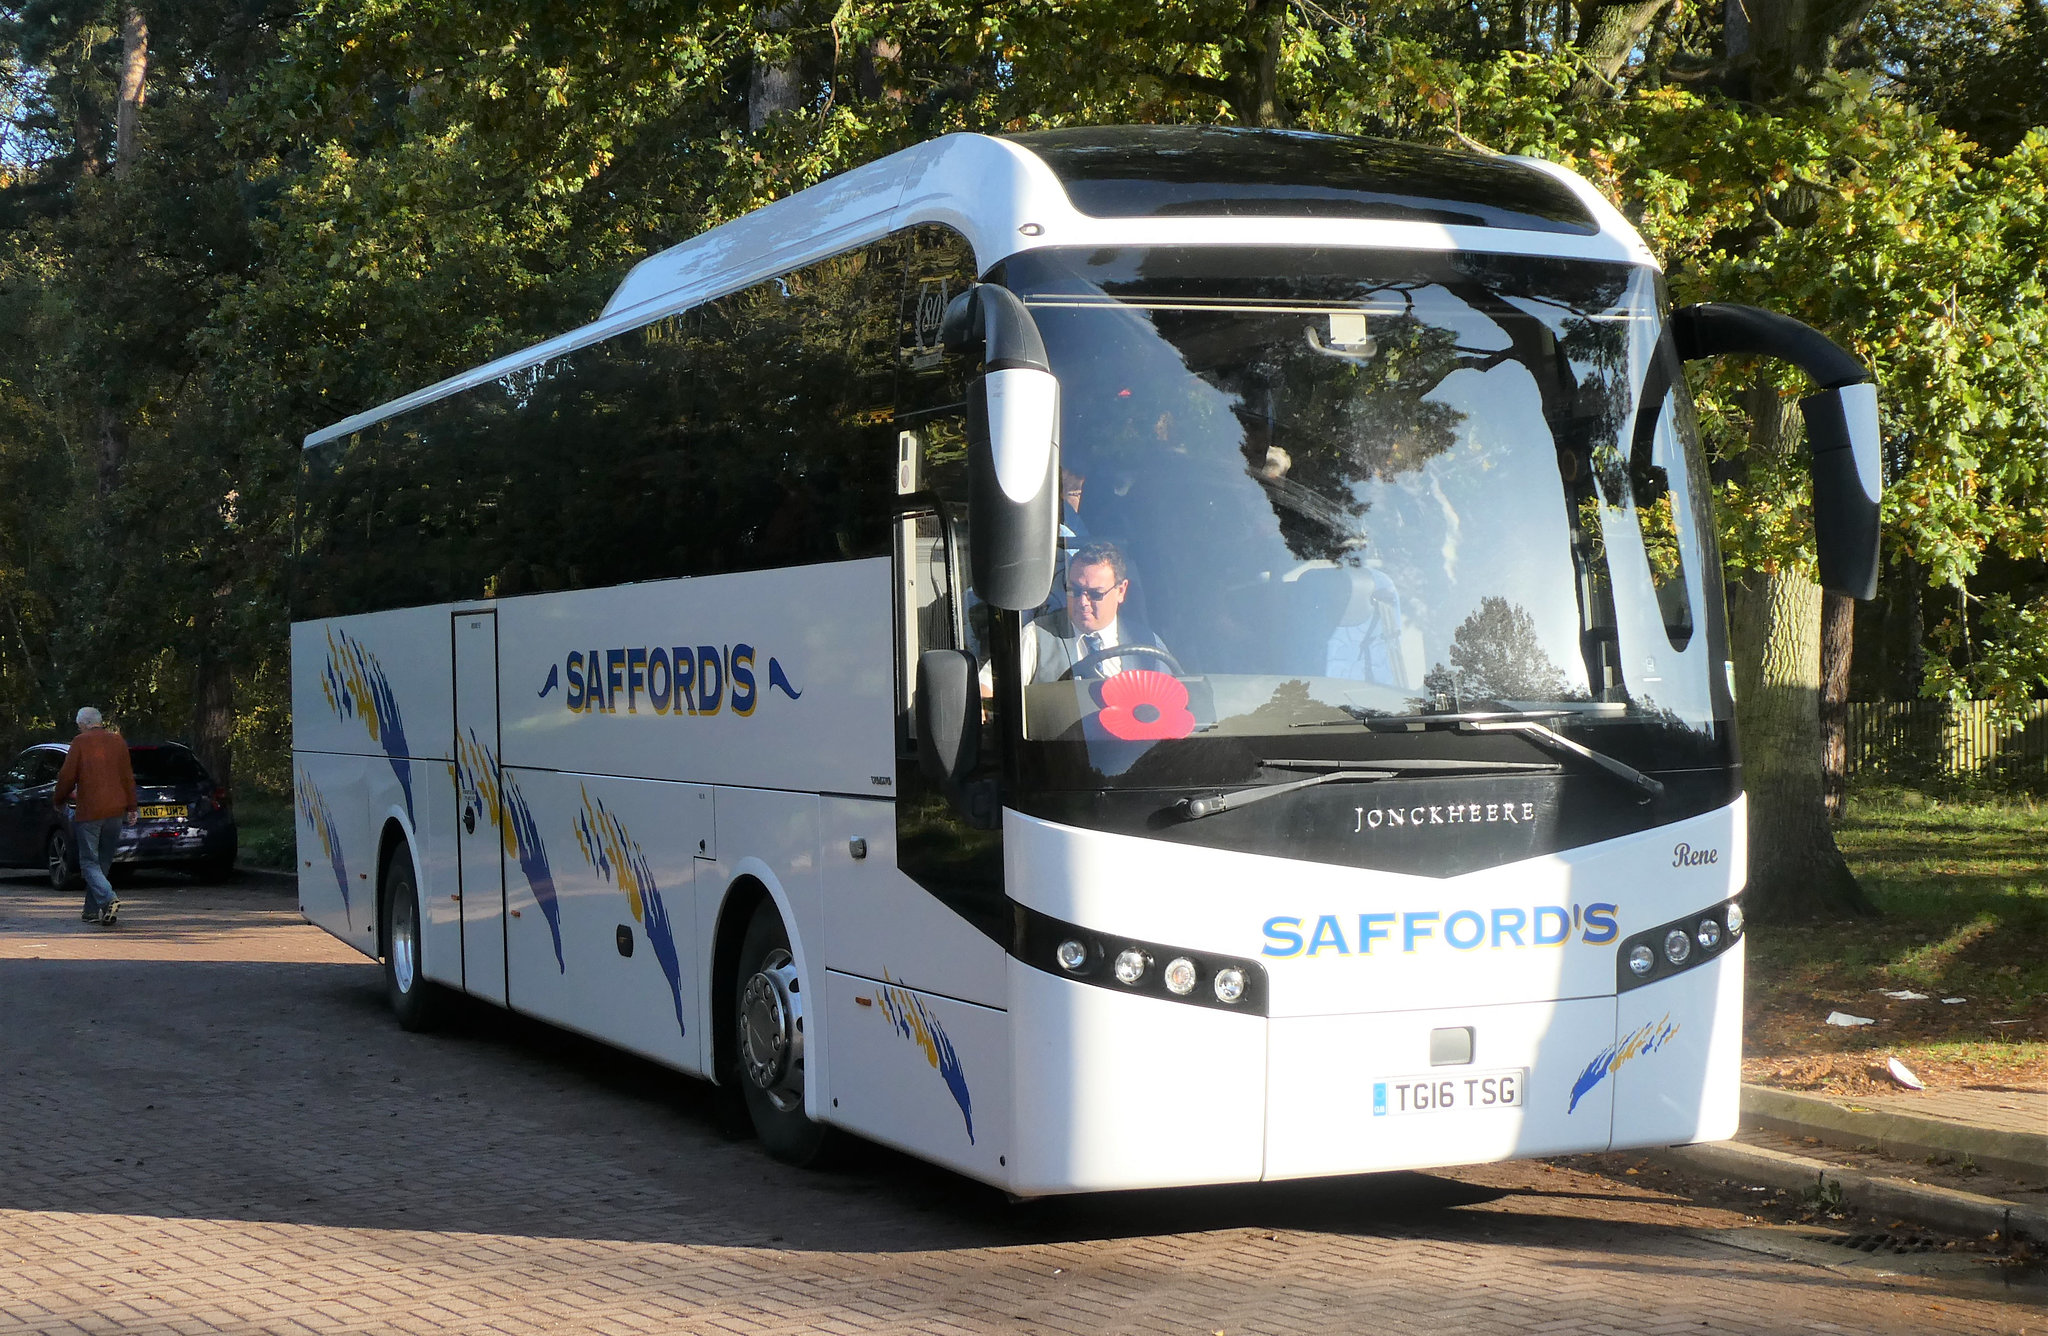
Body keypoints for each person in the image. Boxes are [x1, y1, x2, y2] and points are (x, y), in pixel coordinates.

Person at [1023, 540, 1172, 682]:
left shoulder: (1148, 645)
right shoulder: (1035, 638)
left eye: (1095, 594)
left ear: (1121, 590)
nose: (1083, 602)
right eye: (1074, 590)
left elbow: (1171, 702)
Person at [52, 706, 137, 927]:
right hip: (115, 810)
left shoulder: (80, 742)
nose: (78, 727)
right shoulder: (118, 741)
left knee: (88, 862)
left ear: (85, 723)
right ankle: (91, 911)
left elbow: (67, 775)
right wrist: (132, 807)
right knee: (102, 862)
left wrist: (58, 799)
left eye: (78, 724)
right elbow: (127, 776)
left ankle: (109, 898)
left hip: (90, 810)